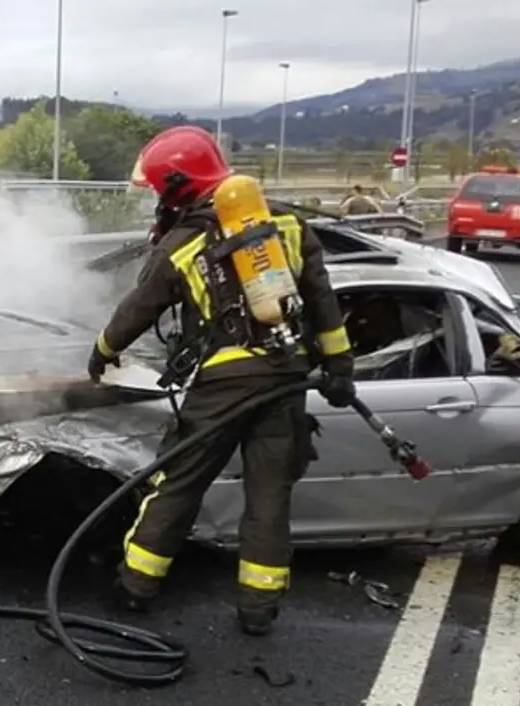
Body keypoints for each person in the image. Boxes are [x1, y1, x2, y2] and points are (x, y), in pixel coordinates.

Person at [86, 125, 357, 636]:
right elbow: (324, 305)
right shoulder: (288, 225)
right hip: (286, 377)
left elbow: (138, 309)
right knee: (270, 496)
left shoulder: (185, 242)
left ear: (177, 186)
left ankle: (135, 588)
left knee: (179, 484)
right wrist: (340, 370)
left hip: (223, 383)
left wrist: (104, 350)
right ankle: (258, 611)